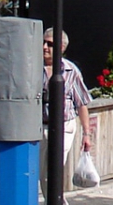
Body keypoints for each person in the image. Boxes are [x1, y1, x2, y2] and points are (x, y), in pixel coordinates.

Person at [41, 29, 93, 201]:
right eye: (43, 43)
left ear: (61, 47)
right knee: (42, 174)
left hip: (64, 126)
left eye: (50, 44)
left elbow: (82, 103)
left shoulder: (71, 71)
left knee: (53, 172)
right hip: (40, 126)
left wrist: (86, 134)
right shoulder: (33, 68)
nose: (44, 47)